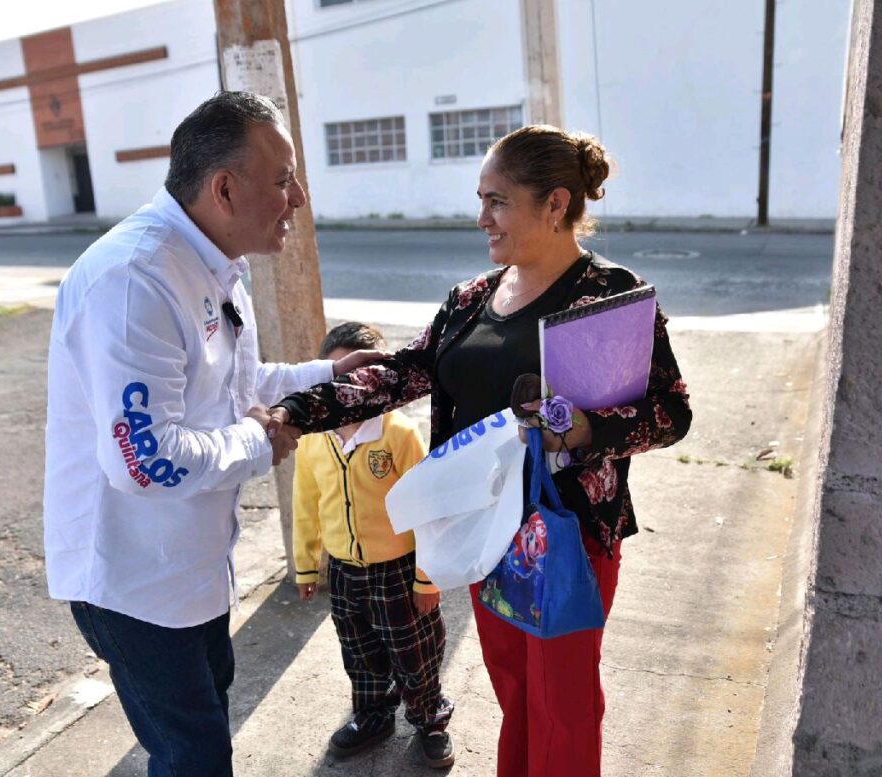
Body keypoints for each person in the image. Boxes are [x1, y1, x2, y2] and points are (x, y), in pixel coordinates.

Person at [269, 125, 692, 777]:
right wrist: (295, 411)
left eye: (497, 200)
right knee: (516, 693)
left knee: (565, 705)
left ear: (554, 204)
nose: (481, 217)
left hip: (564, 534)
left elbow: (669, 411)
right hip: (486, 532)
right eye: (481, 198)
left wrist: (583, 426)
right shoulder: (471, 300)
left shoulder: (606, 294)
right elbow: (403, 371)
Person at [42, 91, 384, 777]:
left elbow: (242, 385)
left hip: (192, 567)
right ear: (225, 188)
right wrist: (266, 440)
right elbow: (145, 460)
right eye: (284, 179)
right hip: (135, 582)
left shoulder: (215, 261)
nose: (299, 198)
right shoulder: (137, 279)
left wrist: (327, 372)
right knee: (192, 756)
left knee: (205, 727)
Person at [293, 322, 455, 768]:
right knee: (359, 651)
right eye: (340, 379)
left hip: (398, 571)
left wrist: (428, 577)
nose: (349, 390)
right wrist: (307, 566)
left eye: (361, 380)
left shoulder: (398, 435)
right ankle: (372, 716)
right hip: (345, 572)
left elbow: (428, 507)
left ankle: (429, 720)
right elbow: (305, 502)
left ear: (379, 382)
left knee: (415, 652)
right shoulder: (314, 436)